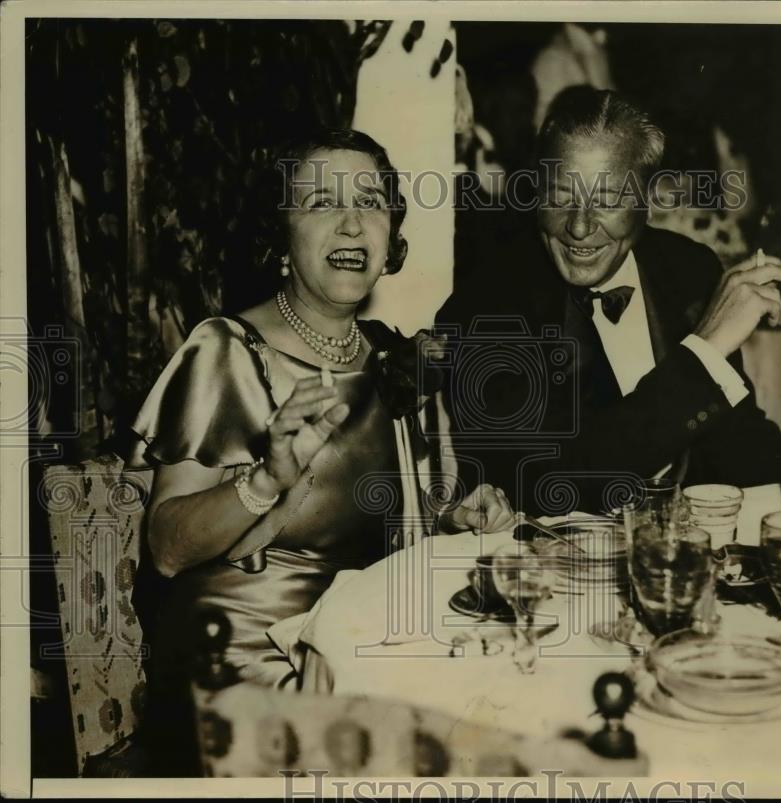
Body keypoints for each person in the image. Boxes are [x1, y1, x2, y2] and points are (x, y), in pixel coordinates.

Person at [126, 129, 515, 774]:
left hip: (358, 640)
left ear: (391, 234)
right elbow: (166, 550)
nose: (351, 222)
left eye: (370, 201)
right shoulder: (226, 351)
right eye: (321, 203)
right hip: (241, 662)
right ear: (282, 238)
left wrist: (456, 519)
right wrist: (265, 481)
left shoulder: (398, 360)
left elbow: (413, 524)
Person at [436, 87, 781, 513]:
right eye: (560, 197)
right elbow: (548, 484)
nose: (579, 226)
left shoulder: (689, 269)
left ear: (647, 200)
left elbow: (732, 440)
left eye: (607, 199)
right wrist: (703, 352)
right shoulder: (483, 308)